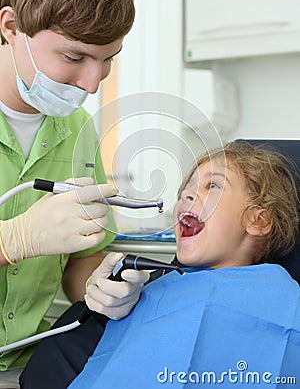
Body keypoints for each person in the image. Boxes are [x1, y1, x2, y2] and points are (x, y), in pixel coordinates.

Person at [22, 140, 300, 388]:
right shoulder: (150, 290)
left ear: (258, 220)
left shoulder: (283, 299)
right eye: (184, 192)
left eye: (212, 185)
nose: (186, 197)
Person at [0, 0, 148, 383]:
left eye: (107, 60)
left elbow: (82, 255)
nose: (90, 83)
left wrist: (98, 283)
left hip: (24, 365)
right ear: (10, 26)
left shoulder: (80, 128)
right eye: (74, 56)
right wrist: (13, 240)